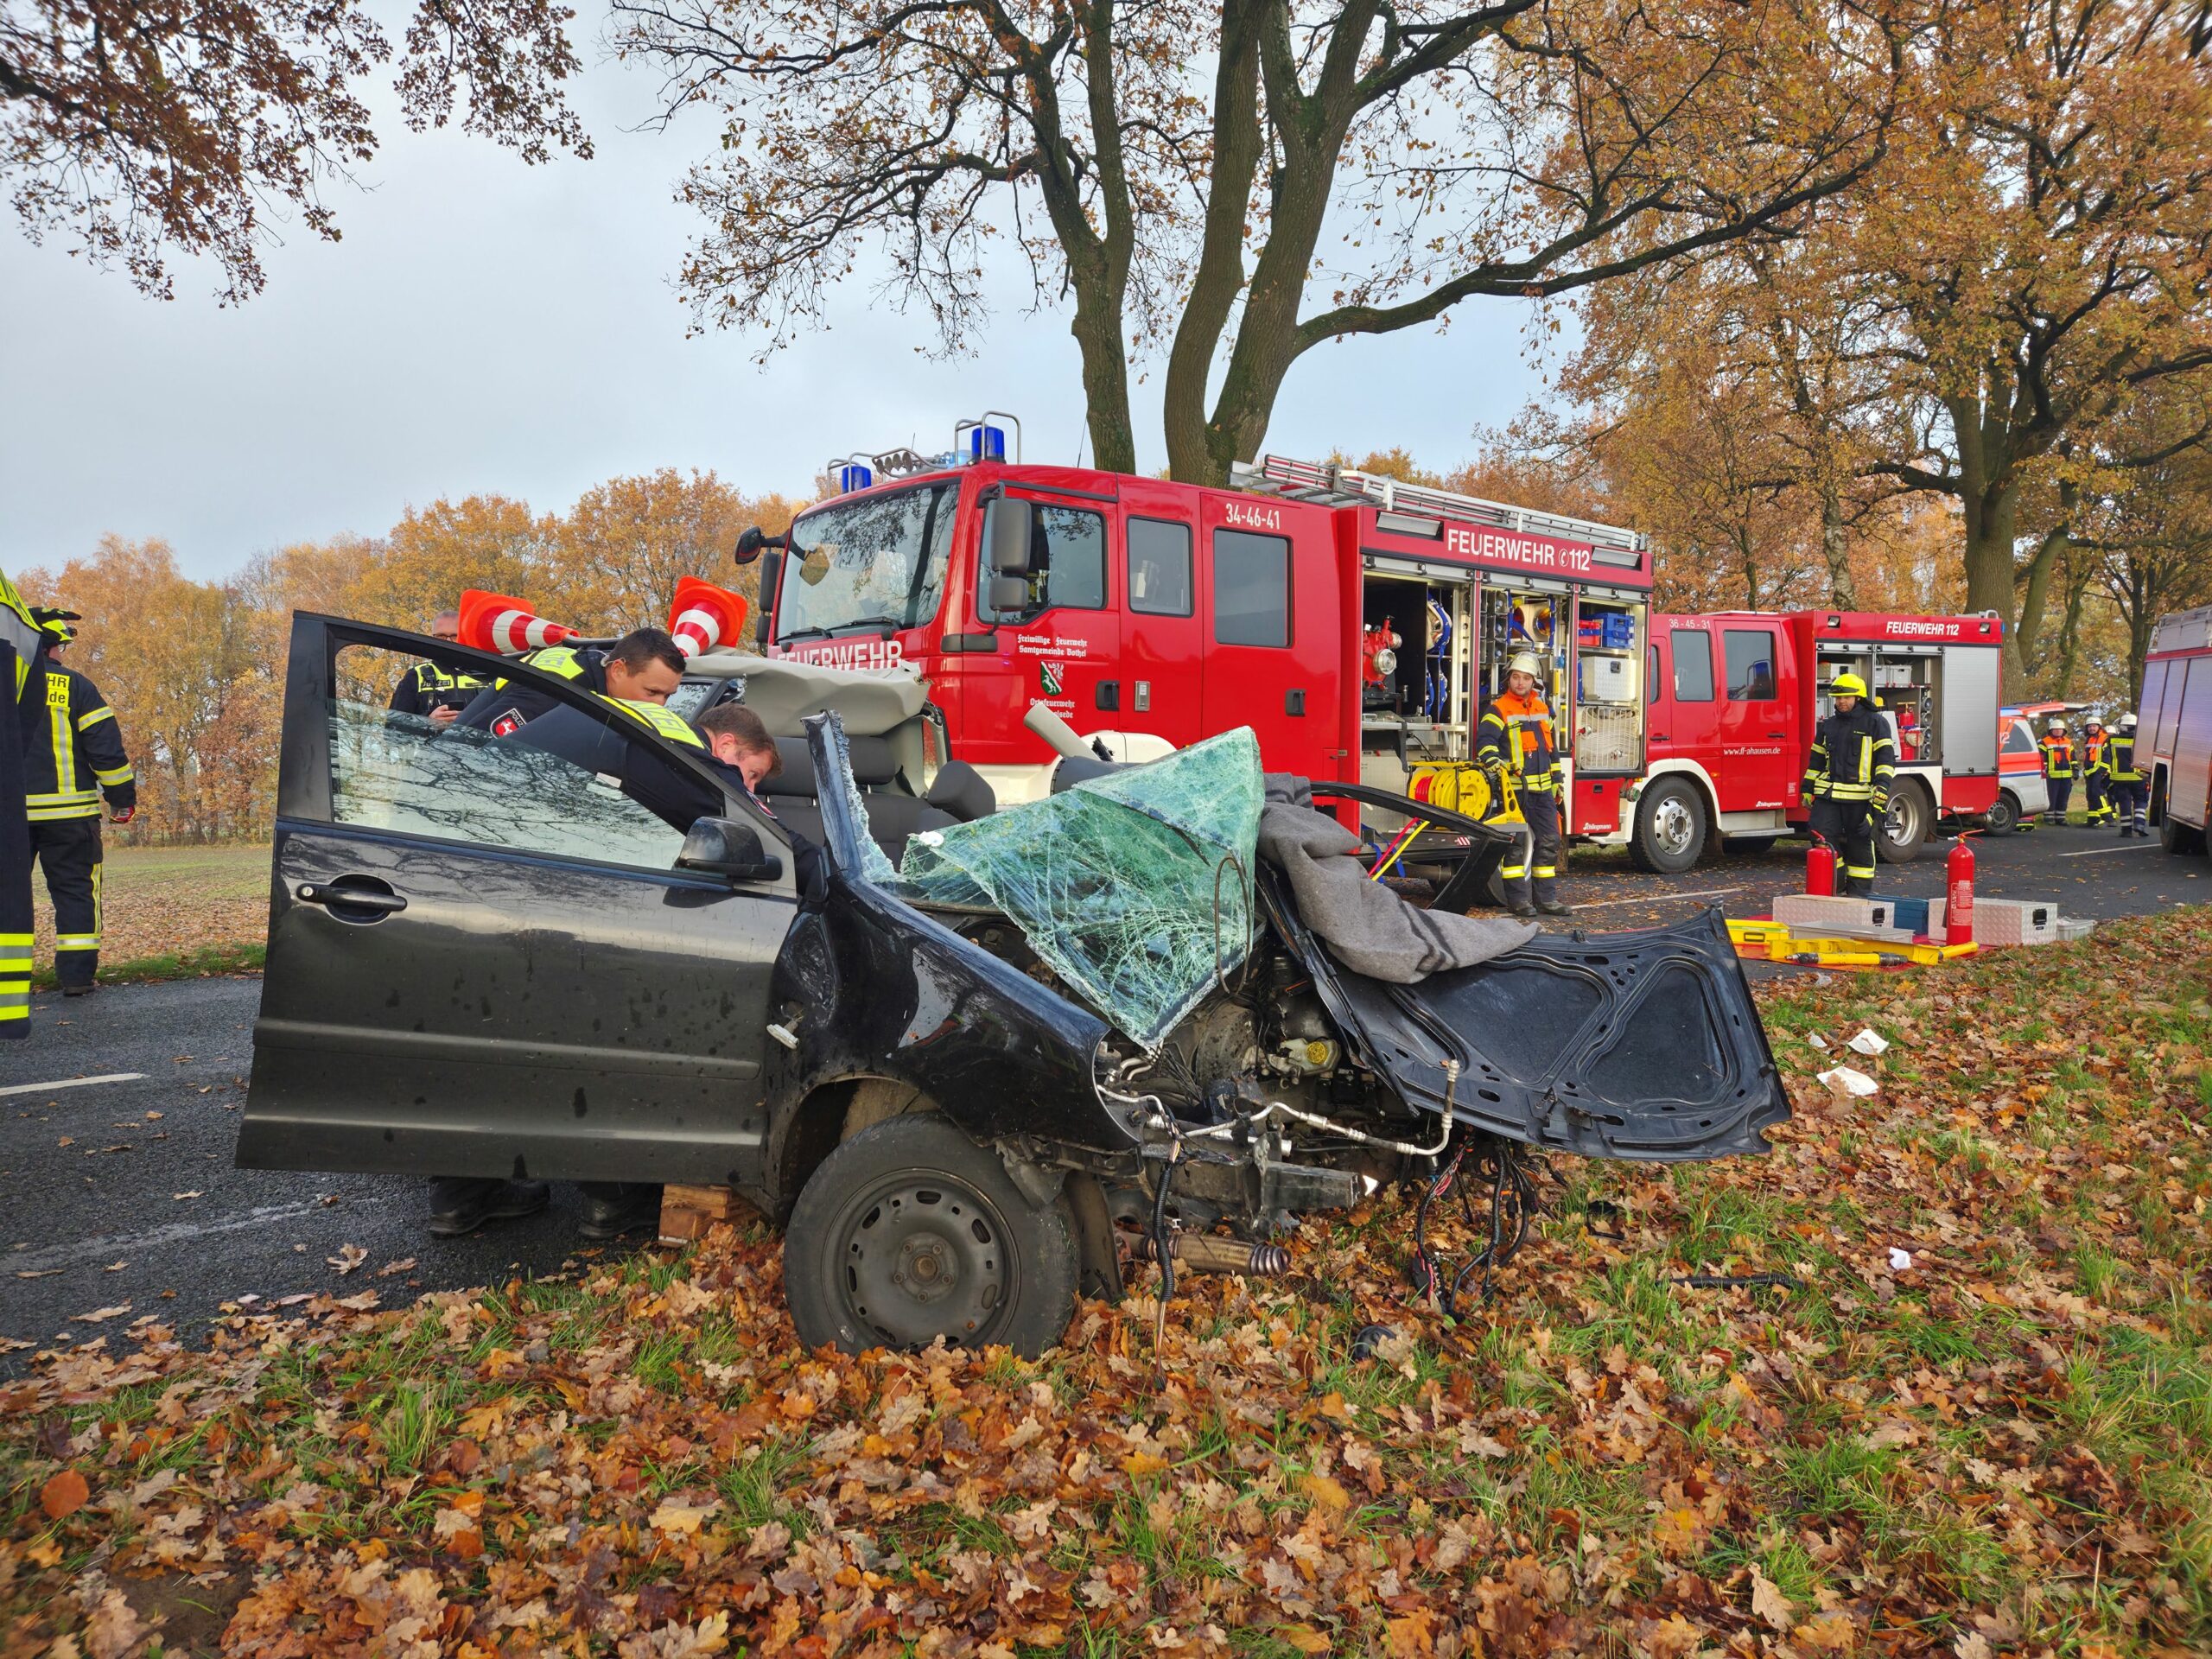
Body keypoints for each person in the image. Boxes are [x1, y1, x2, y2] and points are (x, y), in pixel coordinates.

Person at [23, 620, 136, 996]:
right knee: (74, 894)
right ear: (51, 647)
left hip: (8, 819)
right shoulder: (77, 686)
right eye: (61, 646)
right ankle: (76, 979)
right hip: (70, 817)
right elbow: (106, 751)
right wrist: (121, 799)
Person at [453, 627, 685, 735]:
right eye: (652, 692)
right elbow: (473, 745)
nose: (660, 705)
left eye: (667, 695)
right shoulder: (555, 691)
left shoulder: (590, 665)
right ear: (618, 670)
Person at [1477, 652, 1569, 918]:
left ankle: (1546, 900)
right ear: (1509, 679)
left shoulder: (1543, 709)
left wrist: (1557, 783)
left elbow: (1552, 752)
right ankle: (1518, 901)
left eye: (1525, 678)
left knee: (1550, 840)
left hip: (1542, 792)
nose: (1520, 683)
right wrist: (1497, 764)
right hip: (1513, 791)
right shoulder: (1498, 709)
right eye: (1516, 677)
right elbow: (1485, 745)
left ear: (1533, 681)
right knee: (1516, 846)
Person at [1801, 672, 1894, 898]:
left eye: (1847, 698)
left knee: (1860, 845)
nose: (1841, 702)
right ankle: (1836, 881)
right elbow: (1816, 760)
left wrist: (1880, 794)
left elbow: (1885, 761)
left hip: (1861, 799)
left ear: (1858, 698)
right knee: (1820, 837)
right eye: (1838, 698)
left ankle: (1858, 896)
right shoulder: (1828, 726)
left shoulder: (1876, 723)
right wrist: (1807, 788)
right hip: (1829, 796)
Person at [388, 608, 488, 725]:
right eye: (441, 636)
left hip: (481, 743)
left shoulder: (487, 675)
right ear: (432, 637)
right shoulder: (416, 676)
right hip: (431, 742)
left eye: (455, 636)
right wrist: (427, 722)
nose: (448, 641)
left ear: (464, 636)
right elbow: (391, 727)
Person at [2109, 712, 2147, 836]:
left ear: (2123, 726)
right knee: (2141, 800)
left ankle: (2126, 830)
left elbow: (2107, 757)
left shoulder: (2112, 739)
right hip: (2138, 777)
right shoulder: (2142, 740)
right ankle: (2139, 824)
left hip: (2119, 778)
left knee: (2124, 803)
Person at [2039, 717, 2075, 825]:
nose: (2058, 731)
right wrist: (2045, 771)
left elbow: (2073, 758)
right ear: (2051, 730)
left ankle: (2061, 818)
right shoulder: (2045, 742)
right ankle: (2049, 817)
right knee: (2051, 797)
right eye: (2055, 729)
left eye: (2060, 729)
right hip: (2052, 776)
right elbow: (2041, 758)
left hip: (2066, 776)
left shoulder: (2069, 742)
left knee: (2063, 797)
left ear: (2064, 731)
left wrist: (2076, 770)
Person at [2079, 716, 2113, 824]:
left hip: (2100, 771)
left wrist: (2103, 770)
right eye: (2089, 726)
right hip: (2090, 771)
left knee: (2097, 793)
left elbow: (2108, 755)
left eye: (2094, 726)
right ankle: (2093, 818)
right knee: (2090, 794)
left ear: (2099, 727)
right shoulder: (2089, 739)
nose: (2092, 728)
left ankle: (2108, 817)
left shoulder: (2105, 738)